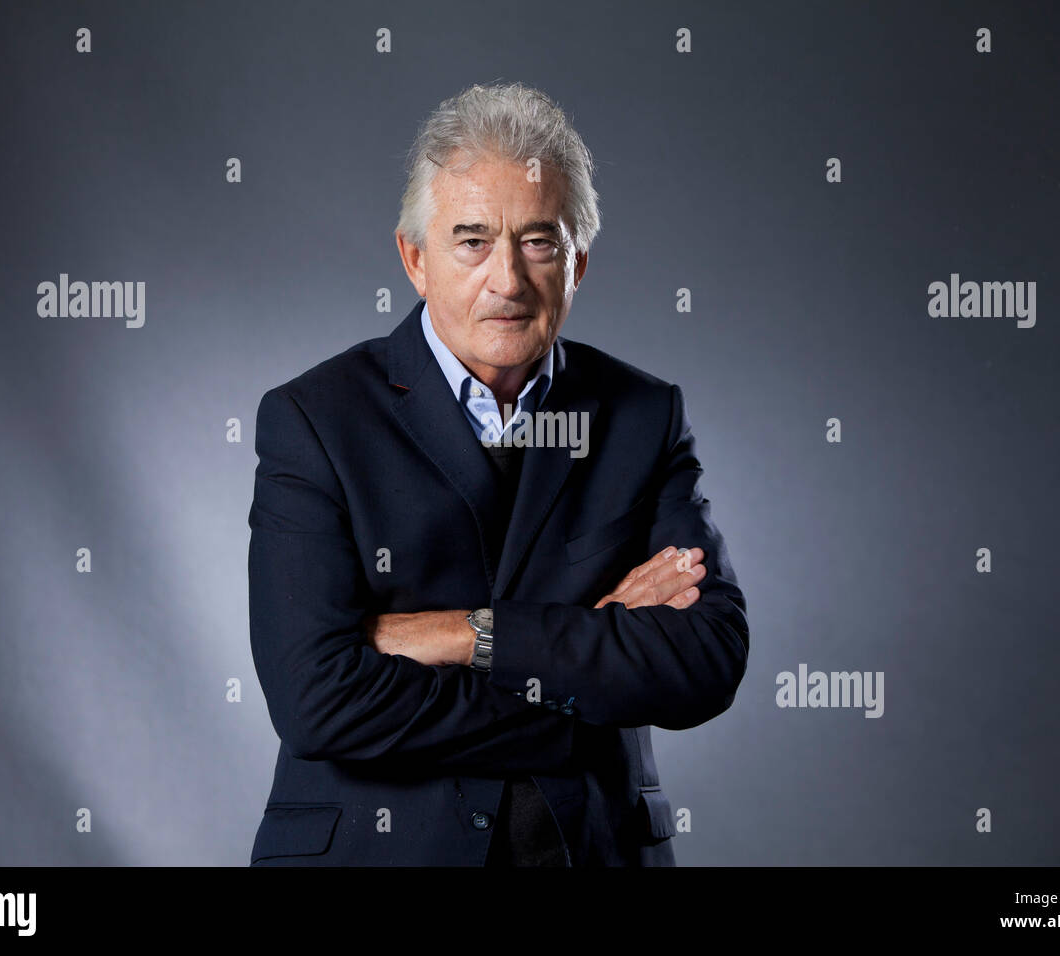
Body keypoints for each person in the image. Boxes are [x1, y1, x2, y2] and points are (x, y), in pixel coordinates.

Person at [247, 81, 748, 866]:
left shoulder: (643, 416)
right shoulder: (315, 420)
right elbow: (319, 703)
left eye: (539, 242)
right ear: (415, 259)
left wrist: (461, 635)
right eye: (472, 241)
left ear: (579, 261)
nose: (508, 280)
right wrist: (589, 661)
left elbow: (705, 661)